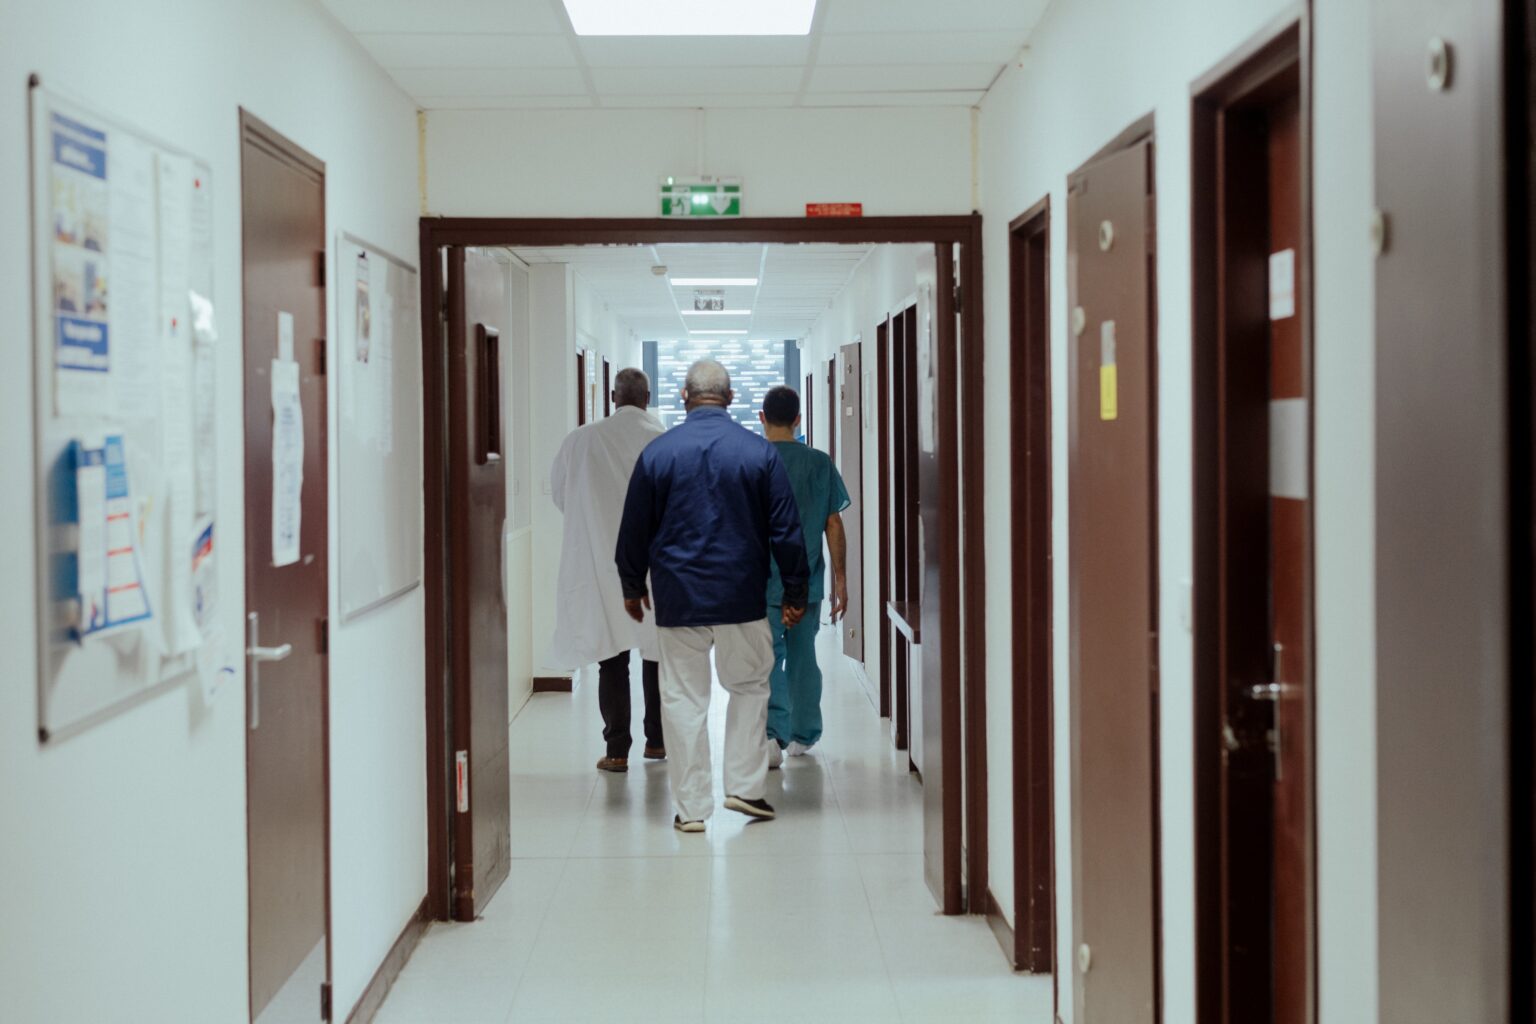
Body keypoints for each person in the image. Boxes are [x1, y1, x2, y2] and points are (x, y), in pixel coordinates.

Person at [615, 359, 810, 833]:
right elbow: (787, 530)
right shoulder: (758, 453)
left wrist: (631, 584)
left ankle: (691, 810)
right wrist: (795, 591)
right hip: (742, 596)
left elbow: (633, 530)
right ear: (729, 398)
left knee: (683, 701)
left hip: (679, 598)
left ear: (685, 396)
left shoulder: (658, 454)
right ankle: (744, 788)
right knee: (748, 686)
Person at [549, 367, 668, 773]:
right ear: (647, 397)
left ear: (614, 397)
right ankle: (657, 741)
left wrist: (596, 523)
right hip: (654, 564)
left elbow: (560, 494)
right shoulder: (666, 440)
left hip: (601, 562)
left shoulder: (582, 440)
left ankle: (617, 749)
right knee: (657, 653)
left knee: (611, 655)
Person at [757, 386, 849, 763]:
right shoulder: (819, 463)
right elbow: (833, 522)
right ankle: (804, 734)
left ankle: (772, 736)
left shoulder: (753, 463)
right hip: (807, 583)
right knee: (803, 656)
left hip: (762, 583)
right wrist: (841, 578)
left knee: (766, 659)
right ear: (798, 419)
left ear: (762, 419)